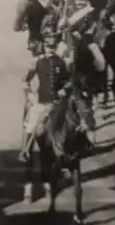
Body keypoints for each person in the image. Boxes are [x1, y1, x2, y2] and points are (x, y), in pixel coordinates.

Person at [19, 29, 69, 163]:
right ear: (44, 46)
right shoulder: (37, 62)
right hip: (42, 100)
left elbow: (68, 80)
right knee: (31, 123)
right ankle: (25, 150)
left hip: (57, 101)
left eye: (53, 46)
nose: (50, 49)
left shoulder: (62, 62)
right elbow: (25, 80)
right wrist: (30, 95)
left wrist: (64, 89)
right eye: (48, 46)